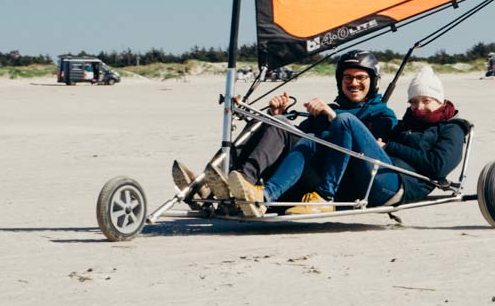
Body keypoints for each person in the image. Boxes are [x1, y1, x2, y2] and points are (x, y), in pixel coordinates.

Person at [173, 53, 398, 215]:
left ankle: (242, 189)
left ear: (373, 81)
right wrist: (275, 116)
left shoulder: (382, 114)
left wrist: (331, 116)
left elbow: (365, 148)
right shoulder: (333, 106)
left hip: (338, 182)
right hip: (307, 168)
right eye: (348, 77)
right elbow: (297, 140)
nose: (354, 83)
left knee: (291, 128)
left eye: (361, 78)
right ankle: (220, 184)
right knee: (273, 122)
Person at [248, 63, 468, 217]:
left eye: (426, 100)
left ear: (439, 101)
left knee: (345, 120)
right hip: (369, 177)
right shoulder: (405, 125)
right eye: (413, 102)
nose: (419, 107)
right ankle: (263, 194)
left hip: (397, 186)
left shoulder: (451, 128)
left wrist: (390, 145)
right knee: (307, 135)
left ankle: (324, 197)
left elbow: (437, 166)